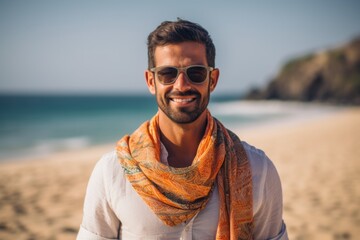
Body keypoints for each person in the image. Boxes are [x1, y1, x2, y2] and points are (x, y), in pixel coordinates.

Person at [77, 19, 288, 240]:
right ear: (151, 81)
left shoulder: (259, 170)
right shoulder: (112, 172)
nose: (181, 85)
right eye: (167, 73)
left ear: (212, 80)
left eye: (195, 73)